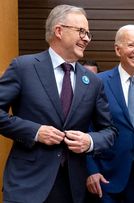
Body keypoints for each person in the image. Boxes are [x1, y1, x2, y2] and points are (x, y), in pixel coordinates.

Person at [0, 4, 117, 203]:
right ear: (59, 31)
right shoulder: (23, 67)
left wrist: (89, 142)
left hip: (73, 188)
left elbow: (109, 131)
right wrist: (35, 132)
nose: (86, 38)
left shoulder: (93, 82)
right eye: (81, 31)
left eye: (88, 33)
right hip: (27, 184)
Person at [86, 24, 134, 203]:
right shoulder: (98, 82)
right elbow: (86, 127)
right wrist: (91, 170)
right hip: (106, 179)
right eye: (131, 45)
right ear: (117, 49)